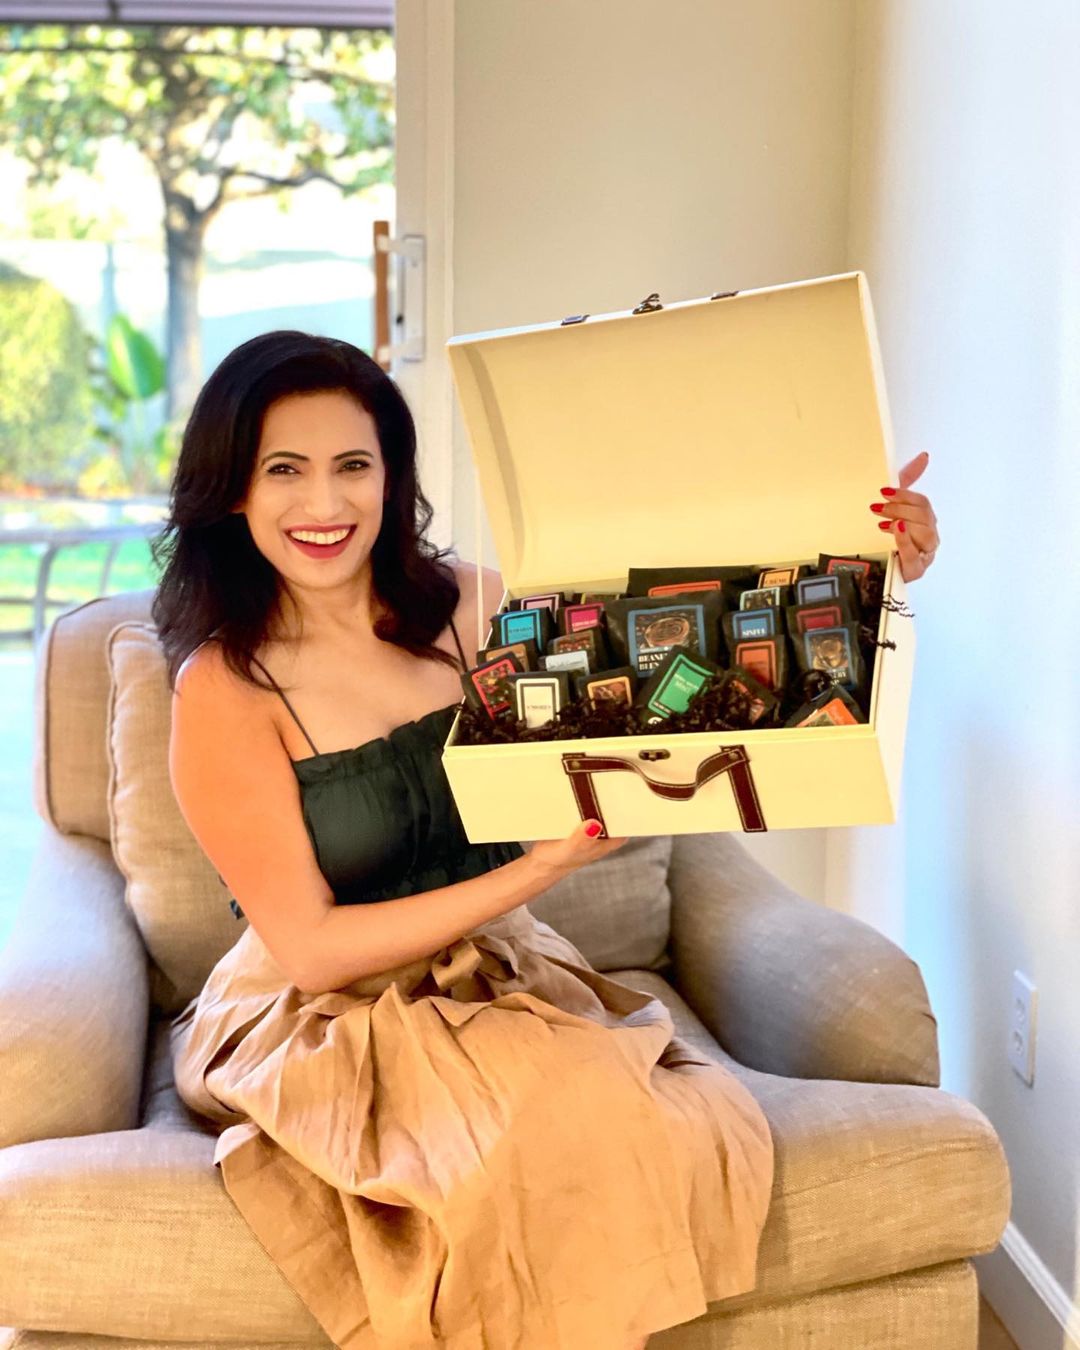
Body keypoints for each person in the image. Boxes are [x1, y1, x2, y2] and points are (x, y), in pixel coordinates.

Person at [156, 332, 938, 1350]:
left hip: (492, 974)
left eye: (354, 465)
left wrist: (873, 565)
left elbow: (700, 681)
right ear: (232, 494)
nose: (325, 504)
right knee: (527, 1139)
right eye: (284, 471)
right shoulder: (221, 687)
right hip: (314, 1011)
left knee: (609, 1123)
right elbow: (310, 948)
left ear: (392, 477)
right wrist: (532, 873)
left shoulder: (473, 607)